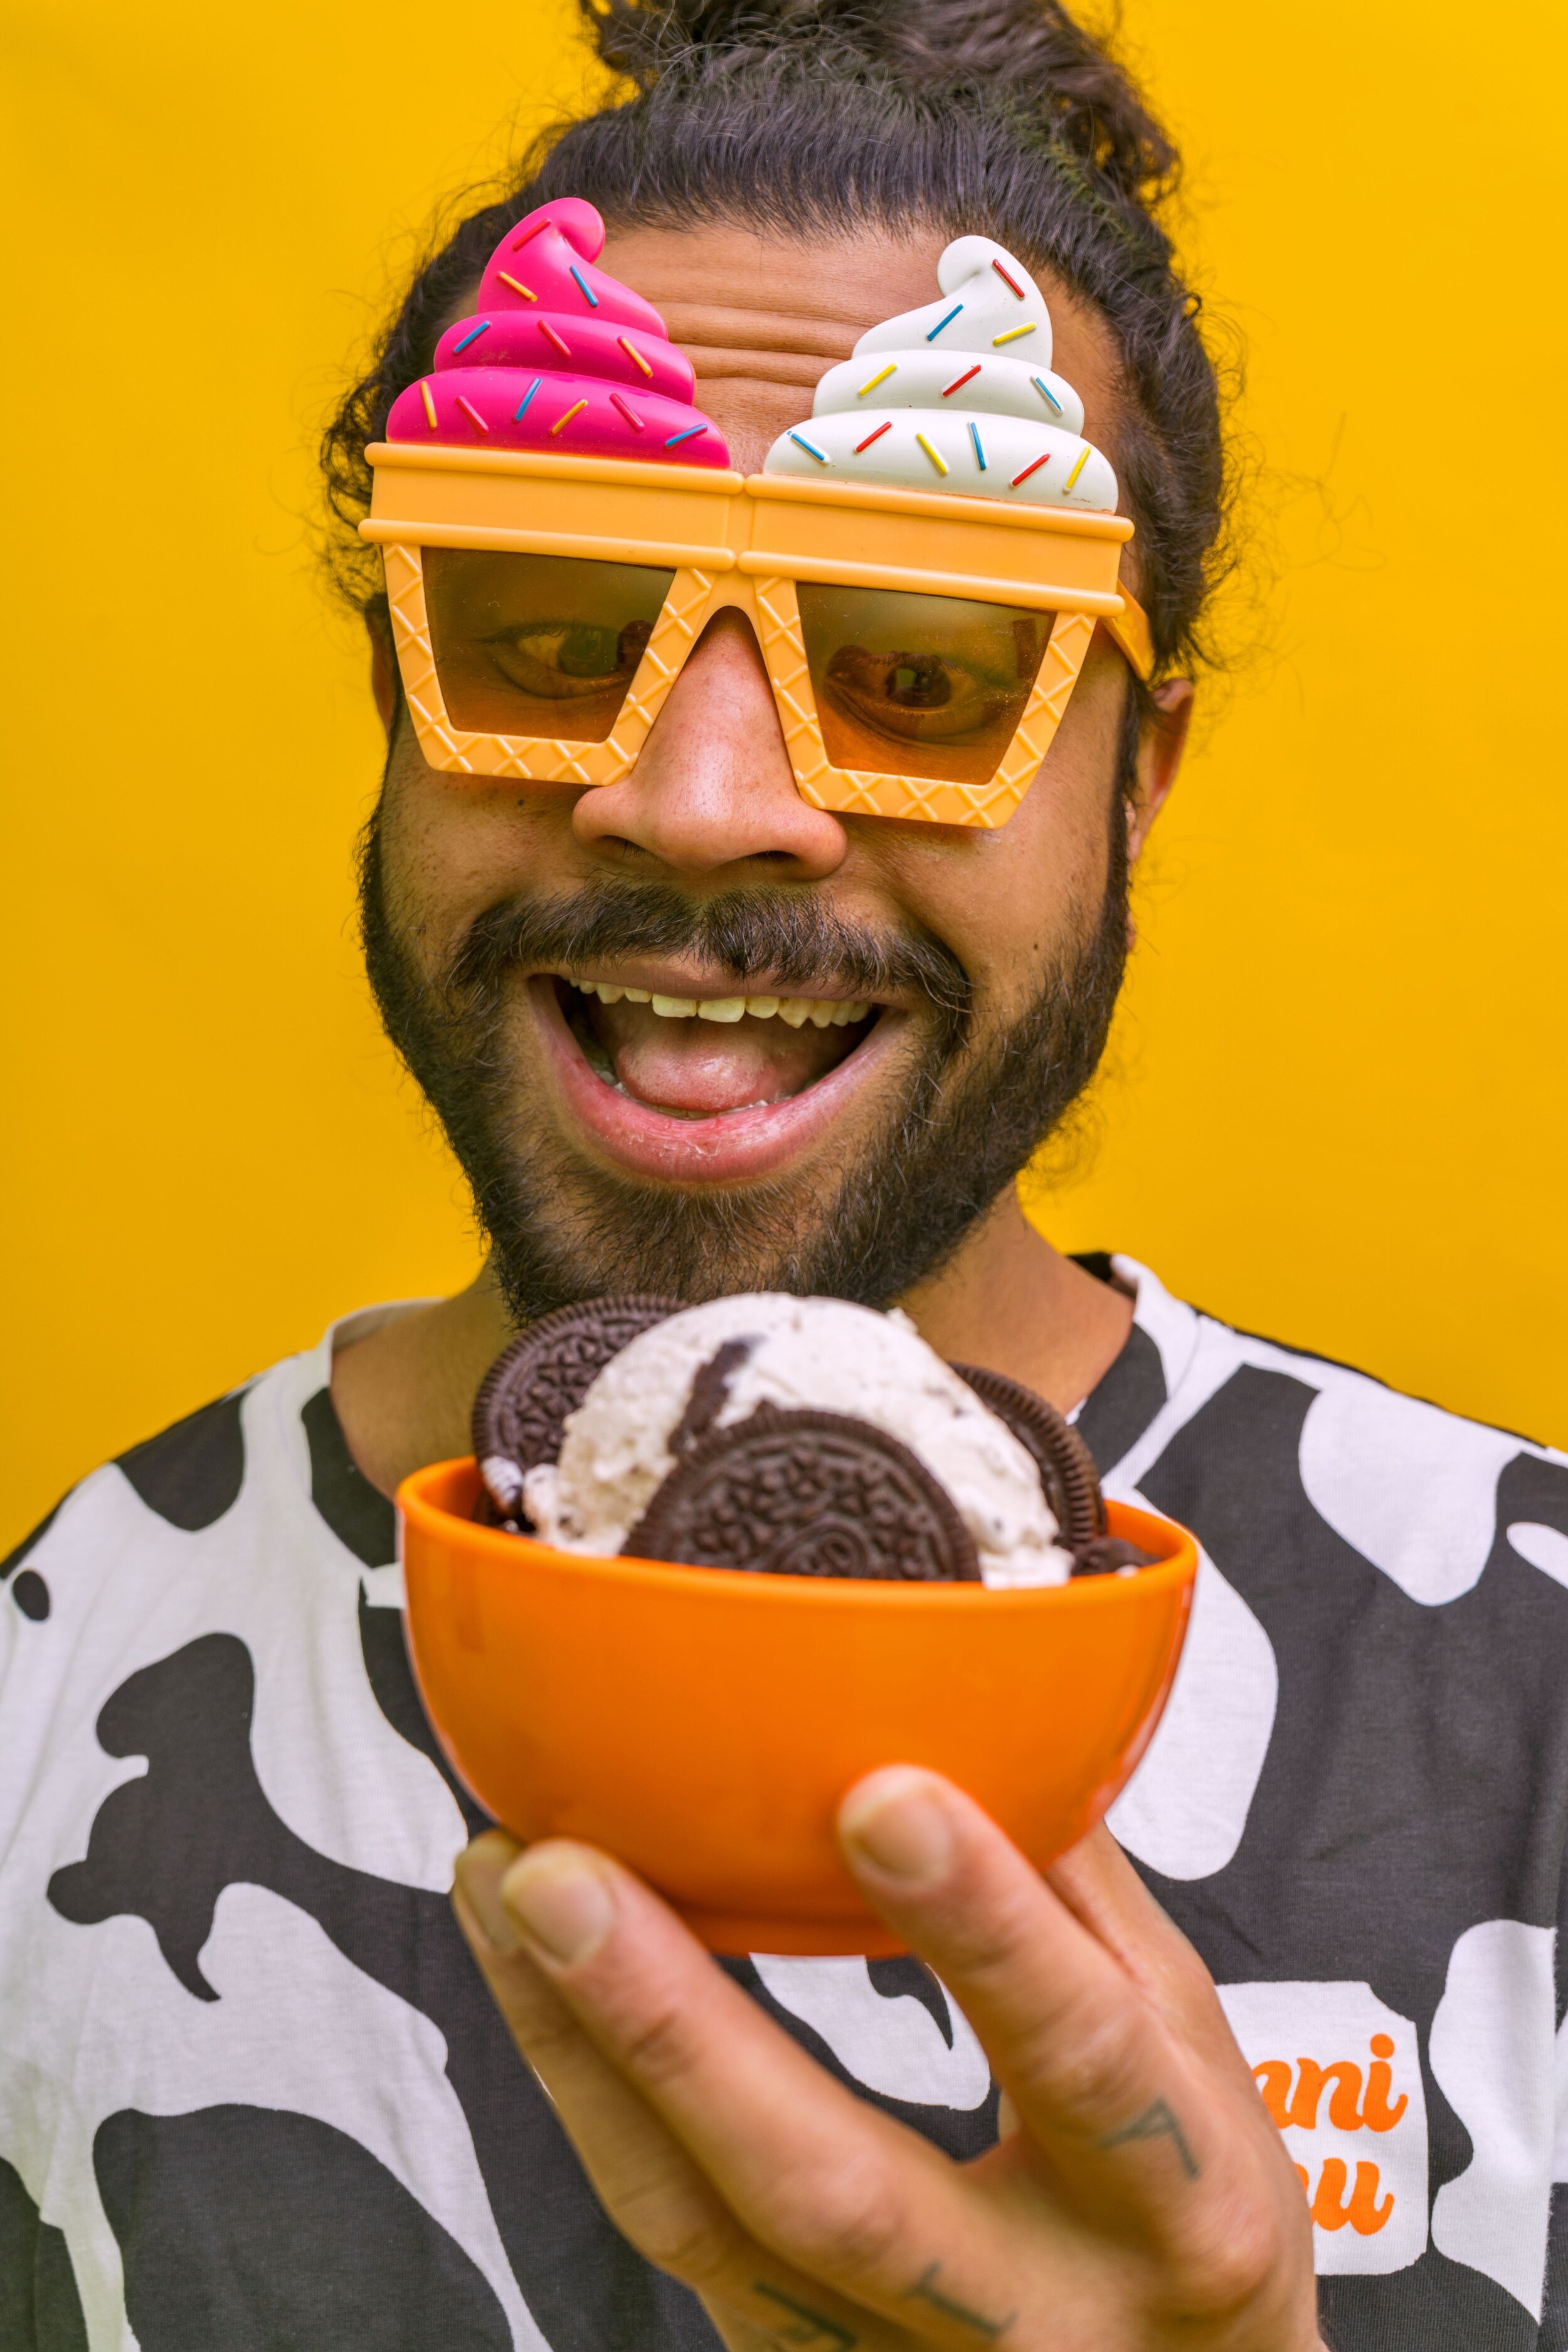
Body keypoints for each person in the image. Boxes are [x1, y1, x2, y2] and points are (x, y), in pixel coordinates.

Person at [3, 0, 1566, 2345]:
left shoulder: (1530, 1699)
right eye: (546, 632)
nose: (701, 795)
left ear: (1134, 780)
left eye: (925, 672)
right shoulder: (47, 1703)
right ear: (397, 702)